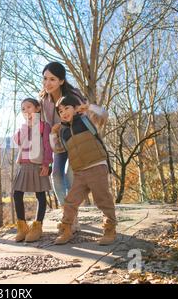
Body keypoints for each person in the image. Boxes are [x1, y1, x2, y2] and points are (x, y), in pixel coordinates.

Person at [49, 95, 117, 245]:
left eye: (67, 108)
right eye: (60, 111)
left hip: (96, 166)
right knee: (70, 202)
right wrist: (53, 134)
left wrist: (89, 107)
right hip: (79, 172)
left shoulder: (87, 120)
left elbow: (104, 115)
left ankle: (110, 229)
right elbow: (58, 149)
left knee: (103, 199)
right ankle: (67, 229)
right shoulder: (63, 131)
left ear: (75, 108)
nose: (64, 113)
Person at [39, 62, 86, 233]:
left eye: (52, 79)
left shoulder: (73, 95)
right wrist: (45, 157)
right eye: (45, 78)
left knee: (70, 176)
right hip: (58, 145)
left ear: (61, 80)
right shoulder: (43, 100)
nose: (47, 83)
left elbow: (85, 118)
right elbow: (44, 129)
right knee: (57, 175)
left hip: (77, 142)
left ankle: (72, 218)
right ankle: (68, 215)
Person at [12, 98, 53, 243]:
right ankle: (22, 226)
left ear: (37, 109)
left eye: (29, 107)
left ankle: (37, 226)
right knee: (17, 194)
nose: (26, 111)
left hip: (38, 165)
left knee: (40, 195)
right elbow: (17, 141)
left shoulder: (44, 126)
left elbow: (48, 146)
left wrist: (47, 164)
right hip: (24, 165)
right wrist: (25, 127)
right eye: (23, 109)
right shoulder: (23, 127)